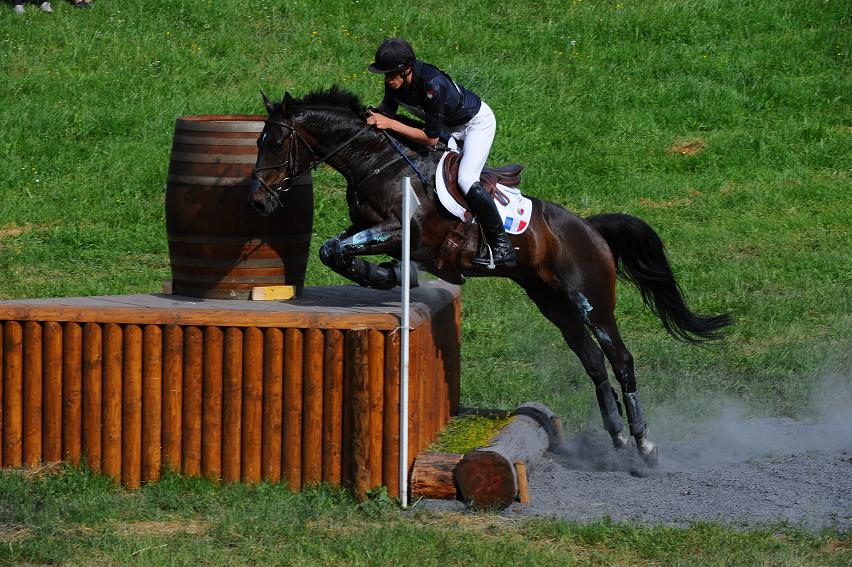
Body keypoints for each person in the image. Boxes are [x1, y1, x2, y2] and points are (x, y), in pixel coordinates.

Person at [366, 38, 516, 268]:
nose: (387, 80)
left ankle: (502, 246)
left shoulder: (432, 85)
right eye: (385, 75)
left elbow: (430, 138)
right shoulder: (395, 82)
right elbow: (387, 112)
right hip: (449, 130)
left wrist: (389, 123)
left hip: (475, 125)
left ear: (406, 70)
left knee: (466, 179)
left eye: (391, 74)